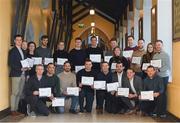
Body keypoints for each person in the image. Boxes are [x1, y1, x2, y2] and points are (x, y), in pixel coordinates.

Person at [8, 34, 27, 116]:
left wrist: (27, 67)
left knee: (19, 93)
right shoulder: (12, 50)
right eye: (18, 40)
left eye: (20, 40)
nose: (19, 41)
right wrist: (20, 69)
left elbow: (24, 62)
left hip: (23, 74)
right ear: (15, 41)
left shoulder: (22, 50)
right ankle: (12, 110)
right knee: (14, 92)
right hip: (16, 74)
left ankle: (16, 109)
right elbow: (10, 63)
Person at [152, 40, 170, 114]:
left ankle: (162, 112)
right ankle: (156, 110)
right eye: (156, 45)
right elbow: (153, 66)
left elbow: (167, 66)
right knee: (156, 93)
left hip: (163, 77)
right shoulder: (154, 55)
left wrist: (158, 70)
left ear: (162, 45)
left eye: (159, 45)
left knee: (162, 94)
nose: (158, 46)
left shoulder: (166, 55)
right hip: (156, 77)